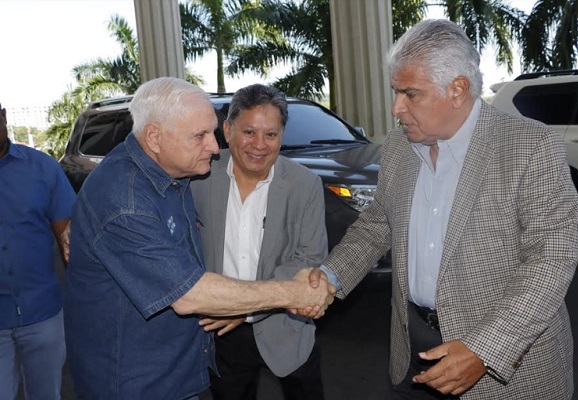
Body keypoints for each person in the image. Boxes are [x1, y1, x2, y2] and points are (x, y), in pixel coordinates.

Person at [310, 19, 578, 399]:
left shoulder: (530, 146)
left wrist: (485, 349)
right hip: (415, 351)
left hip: (508, 368)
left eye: (410, 93)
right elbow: (375, 226)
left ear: (457, 90)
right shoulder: (398, 147)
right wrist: (329, 277)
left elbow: (551, 258)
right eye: (395, 92)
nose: (395, 108)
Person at [62, 77, 335, 400]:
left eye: (211, 132)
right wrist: (295, 293)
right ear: (155, 137)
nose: (213, 146)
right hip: (137, 379)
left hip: (185, 365)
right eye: (201, 135)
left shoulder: (175, 173)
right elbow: (189, 294)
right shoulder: (134, 198)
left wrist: (81, 224)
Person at [191, 84, 327, 400]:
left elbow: (310, 257)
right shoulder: (199, 178)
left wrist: (246, 306)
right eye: (249, 132)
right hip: (220, 330)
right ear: (227, 129)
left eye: (271, 135)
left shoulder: (304, 184)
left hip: (288, 325)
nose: (259, 145)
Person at [0, 101, 76, 399]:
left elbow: (69, 241)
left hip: (43, 312)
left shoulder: (42, 167)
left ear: (4, 116)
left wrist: (81, 302)